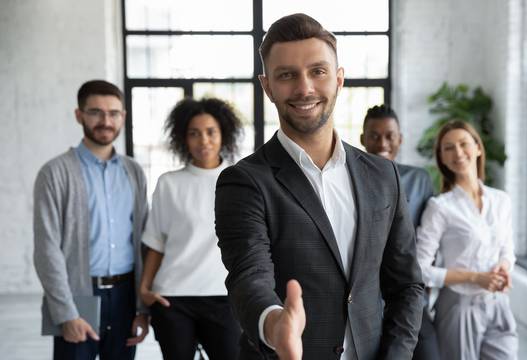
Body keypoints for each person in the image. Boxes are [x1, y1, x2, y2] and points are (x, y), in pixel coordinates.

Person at [215, 13, 424, 360]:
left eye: (318, 71)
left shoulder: (383, 175)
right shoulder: (245, 181)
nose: (305, 88)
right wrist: (273, 324)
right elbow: (248, 277)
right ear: (267, 86)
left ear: (339, 79)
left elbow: (406, 285)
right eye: (286, 75)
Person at [33, 80, 149, 359]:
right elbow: (47, 249)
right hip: (77, 296)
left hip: (125, 297)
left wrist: (143, 309)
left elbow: (145, 240)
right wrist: (65, 313)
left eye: (113, 113)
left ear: (123, 117)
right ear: (79, 115)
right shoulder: (55, 173)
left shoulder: (133, 172)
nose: (105, 121)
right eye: (95, 112)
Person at [139, 97, 242, 359]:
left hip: (224, 297)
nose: (203, 140)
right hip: (173, 299)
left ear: (224, 135)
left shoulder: (242, 180)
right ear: (183, 139)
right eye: (194, 134)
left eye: (211, 132)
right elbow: (157, 242)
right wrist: (144, 289)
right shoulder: (169, 184)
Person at [415, 120, 518, 360]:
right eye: (448, 148)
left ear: (478, 148)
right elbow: (420, 269)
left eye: (463, 144)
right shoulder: (440, 207)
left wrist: (504, 269)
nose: (458, 152)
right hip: (458, 306)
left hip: (498, 303)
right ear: (441, 157)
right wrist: (475, 277)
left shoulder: (501, 201)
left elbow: (507, 250)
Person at [360, 104, 439, 360]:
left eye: (389, 135)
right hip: (365, 296)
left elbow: (432, 235)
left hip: (408, 292)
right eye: (374, 135)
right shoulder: (351, 179)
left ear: (400, 139)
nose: (382, 142)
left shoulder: (419, 179)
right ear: (363, 139)